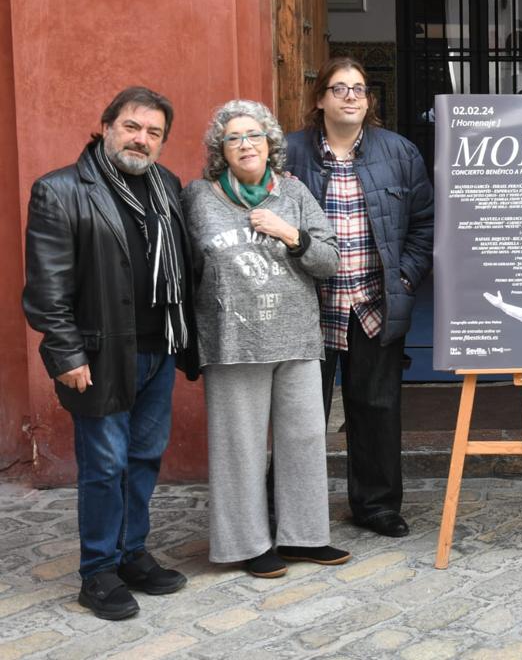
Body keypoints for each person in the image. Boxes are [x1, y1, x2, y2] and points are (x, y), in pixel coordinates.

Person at [23, 87, 196, 620]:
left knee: (144, 459)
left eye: (154, 133)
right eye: (132, 127)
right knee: (103, 466)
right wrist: (66, 354)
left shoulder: (166, 185)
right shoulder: (61, 190)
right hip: (98, 357)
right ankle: (97, 572)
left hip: (158, 350)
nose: (141, 140)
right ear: (106, 126)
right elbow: (46, 289)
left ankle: (131, 553)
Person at [184, 100, 348, 578]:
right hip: (231, 343)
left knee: (303, 440)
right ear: (221, 150)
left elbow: (329, 260)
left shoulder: (293, 194)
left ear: (271, 144)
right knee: (240, 448)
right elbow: (184, 269)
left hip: (295, 339)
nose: (245, 144)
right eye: (233, 138)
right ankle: (248, 543)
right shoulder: (198, 197)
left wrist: (291, 235)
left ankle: (305, 537)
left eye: (253, 135)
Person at [286, 57, 434, 538]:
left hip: (374, 301)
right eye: (339, 88)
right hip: (308, 305)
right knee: (300, 415)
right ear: (320, 99)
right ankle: (294, 511)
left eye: (359, 89)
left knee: (377, 408)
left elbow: (423, 224)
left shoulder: (399, 152)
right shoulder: (288, 153)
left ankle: (376, 505)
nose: (351, 96)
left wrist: (406, 279)